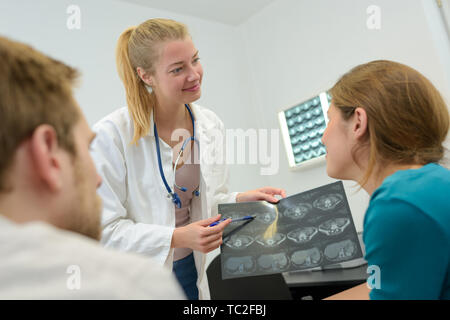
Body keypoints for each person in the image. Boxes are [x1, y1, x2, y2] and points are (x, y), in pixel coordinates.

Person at [91, 18, 286, 300]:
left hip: (193, 267)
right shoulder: (111, 136)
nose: (194, 74)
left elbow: (207, 201)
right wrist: (176, 237)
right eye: (178, 69)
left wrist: (241, 198)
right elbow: (105, 231)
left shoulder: (209, 124)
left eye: (195, 60)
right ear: (146, 76)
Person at [0, 35, 185, 299]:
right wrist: (177, 237)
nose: (97, 179)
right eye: (86, 148)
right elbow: (110, 230)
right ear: (47, 154)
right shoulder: (133, 285)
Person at [321, 60, 450, 299]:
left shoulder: (399, 203)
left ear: (358, 122)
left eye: (329, 120)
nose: (322, 137)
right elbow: (381, 284)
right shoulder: (432, 183)